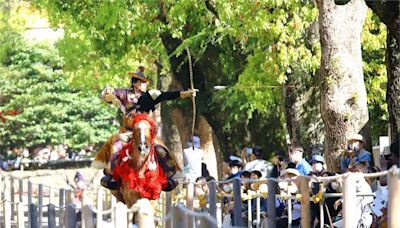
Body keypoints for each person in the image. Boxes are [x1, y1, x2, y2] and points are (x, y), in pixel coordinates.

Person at [93, 66, 197, 191]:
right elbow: (106, 95)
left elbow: (167, 95)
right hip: (128, 132)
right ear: (135, 84)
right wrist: (106, 93)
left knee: (161, 150)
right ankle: (113, 176)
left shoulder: (151, 95)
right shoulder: (124, 94)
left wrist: (185, 94)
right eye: (143, 83)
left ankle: (169, 175)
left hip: (147, 132)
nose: (145, 85)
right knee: (115, 147)